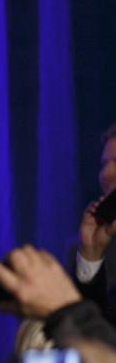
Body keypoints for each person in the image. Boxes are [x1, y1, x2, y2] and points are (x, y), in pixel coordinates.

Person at [73, 122, 116, 311]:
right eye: (104, 164)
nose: (106, 173)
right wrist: (92, 253)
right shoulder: (83, 251)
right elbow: (87, 324)